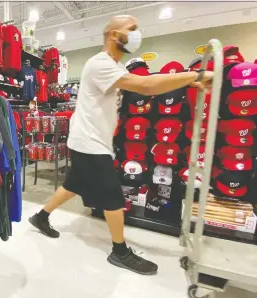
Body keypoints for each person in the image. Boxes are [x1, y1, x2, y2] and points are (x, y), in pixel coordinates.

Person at [29, 15, 214, 275]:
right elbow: (146, 86)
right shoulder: (100, 64)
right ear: (114, 35)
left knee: (73, 185)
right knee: (112, 195)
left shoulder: (115, 67)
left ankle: (41, 217)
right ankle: (120, 251)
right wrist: (195, 74)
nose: (137, 34)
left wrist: (187, 81)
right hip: (89, 142)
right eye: (132, 29)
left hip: (90, 139)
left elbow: (144, 87)